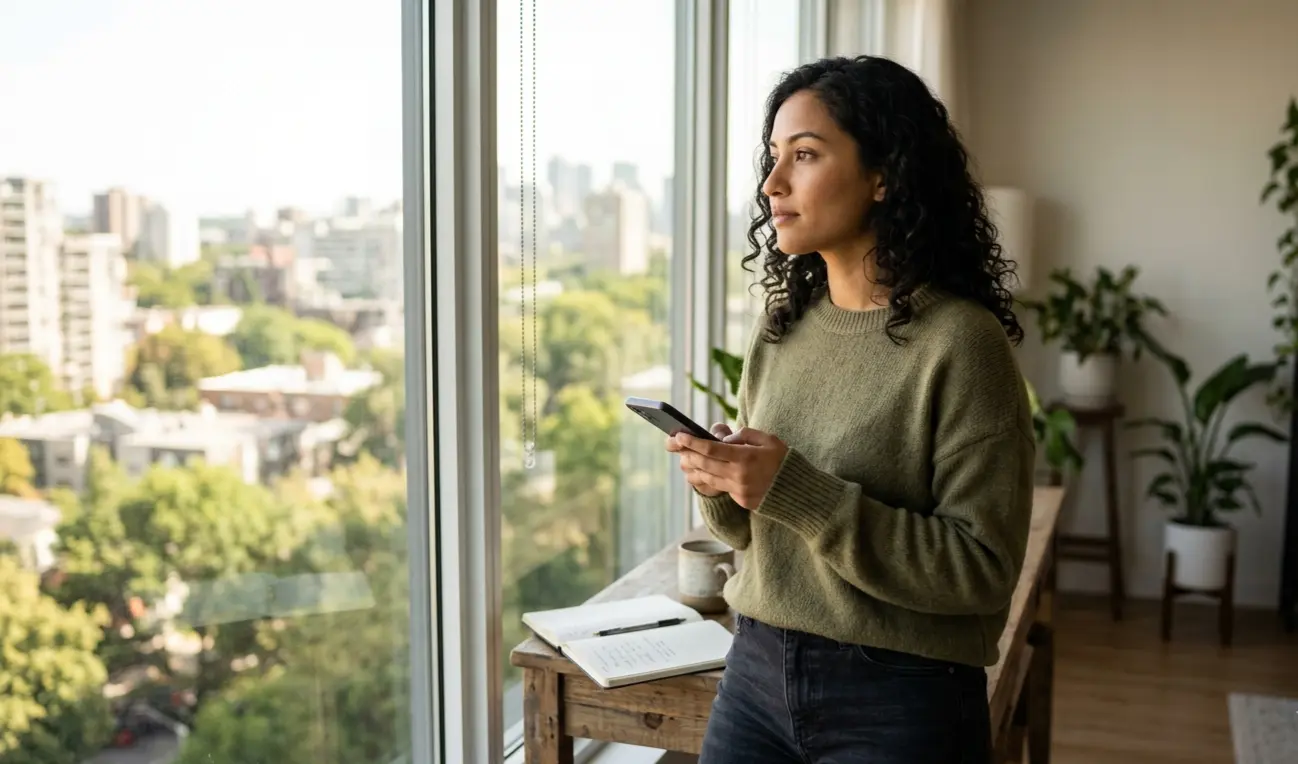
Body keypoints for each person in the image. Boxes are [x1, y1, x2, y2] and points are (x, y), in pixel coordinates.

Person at [664, 55, 1034, 764]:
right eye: (773, 158)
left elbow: (982, 567)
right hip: (755, 675)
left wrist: (795, 490)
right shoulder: (782, 328)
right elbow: (754, 536)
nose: (773, 184)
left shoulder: (961, 344)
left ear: (882, 176)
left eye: (804, 155)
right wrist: (724, 481)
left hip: (899, 697)